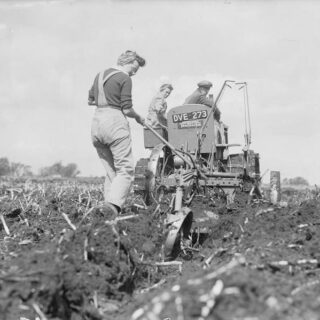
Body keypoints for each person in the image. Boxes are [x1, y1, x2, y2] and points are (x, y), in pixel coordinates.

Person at [88, 50, 146, 215]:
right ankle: (112, 207)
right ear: (127, 62)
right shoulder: (124, 78)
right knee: (125, 169)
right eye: (133, 69)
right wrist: (138, 117)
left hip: (96, 123)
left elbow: (90, 100)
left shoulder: (99, 75)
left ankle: (107, 208)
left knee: (111, 171)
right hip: (114, 122)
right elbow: (127, 109)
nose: (133, 73)